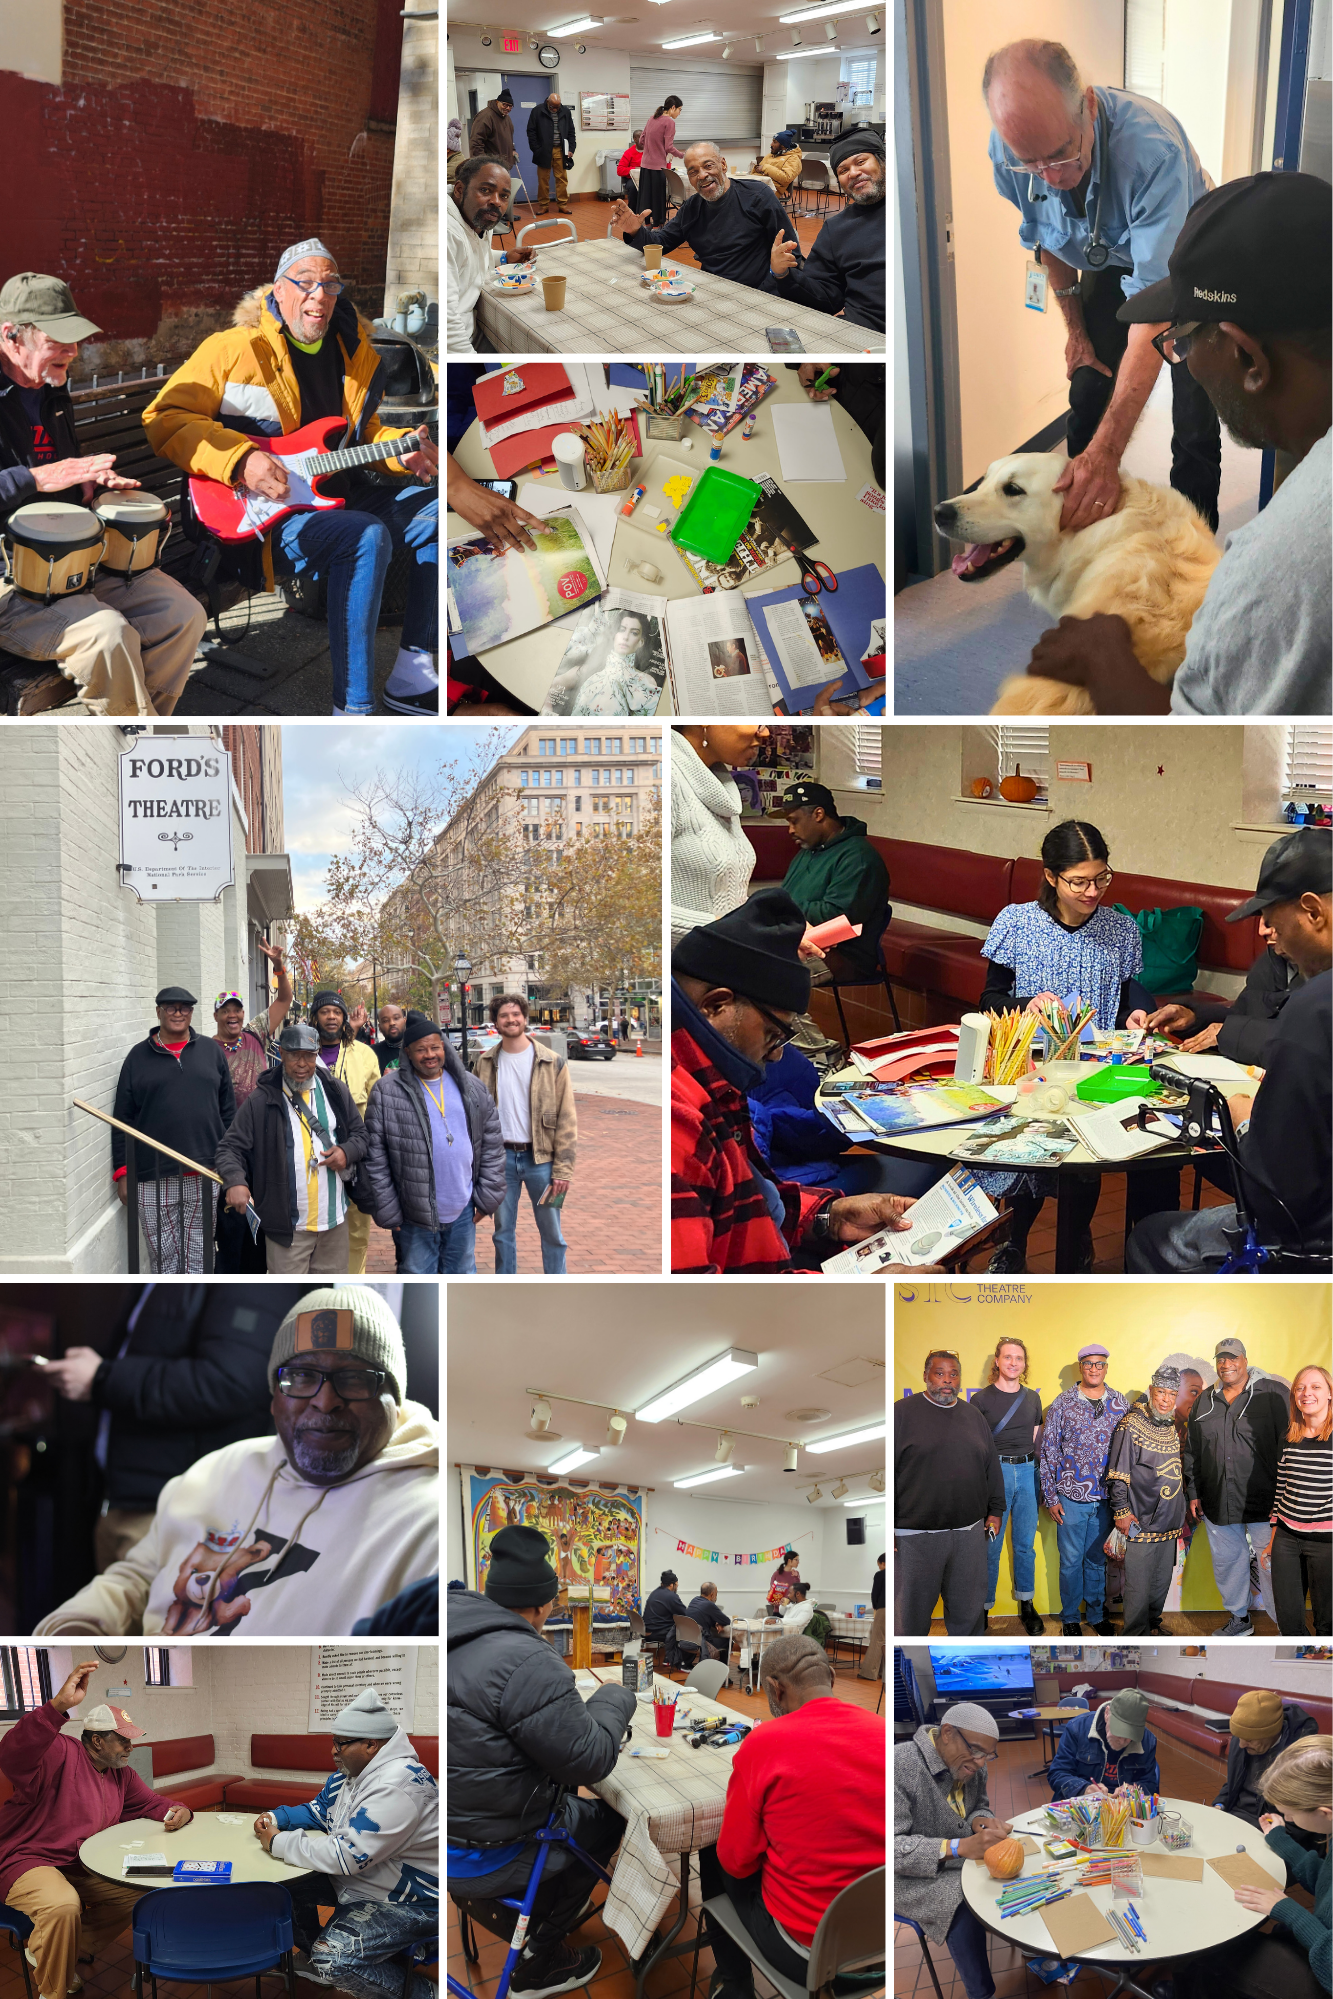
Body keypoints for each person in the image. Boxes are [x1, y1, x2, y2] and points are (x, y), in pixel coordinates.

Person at [1023, 171, 1332, 720]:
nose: (1182, 358)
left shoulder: (1278, 570)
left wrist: (1103, 655)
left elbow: (1195, 746)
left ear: (1247, 358)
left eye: (1183, 340)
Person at [35, 1287, 437, 1637]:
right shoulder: (217, 1471)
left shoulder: (428, 1523)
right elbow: (138, 1577)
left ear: (395, 1396)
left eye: (354, 1378)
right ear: (273, 1394)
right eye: (299, 1376)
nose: (324, 1400)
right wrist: (78, 1626)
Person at [145, 240, 439, 717]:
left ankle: (411, 672)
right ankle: (354, 709)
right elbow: (164, 417)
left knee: (434, 509)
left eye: (329, 284)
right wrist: (239, 460)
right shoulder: (232, 348)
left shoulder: (355, 351)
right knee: (364, 535)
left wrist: (398, 453)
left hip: (331, 498)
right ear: (278, 290)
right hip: (261, 516)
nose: (318, 295)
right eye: (304, 282)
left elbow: (359, 435)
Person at [983, 39, 1219, 534]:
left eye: (1062, 154)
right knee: (1089, 384)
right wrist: (1076, 332)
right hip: (1108, 252)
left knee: (1193, 404)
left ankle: (1193, 541)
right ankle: (1083, 525)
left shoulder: (1152, 151)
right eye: (1032, 164)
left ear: (1088, 107)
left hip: (1192, 256)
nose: (1052, 176)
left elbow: (1153, 314)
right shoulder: (1009, 151)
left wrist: (1109, 453)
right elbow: (1047, 238)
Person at [671, 890, 929, 1272]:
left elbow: (749, 1203)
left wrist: (828, 1217)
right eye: (775, 1034)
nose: (777, 1054)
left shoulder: (710, 1080)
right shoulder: (678, 1127)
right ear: (716, 1006)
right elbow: (701, 1307)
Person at [0, 272, 207, 715]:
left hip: (77, 562)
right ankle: (140, 753)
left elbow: (60, 470)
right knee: (109, 636)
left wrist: (90, 482)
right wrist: (36, 479)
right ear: (12, 338)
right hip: (12, 582)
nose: (73, 352)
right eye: (60, 340)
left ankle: (131, 733)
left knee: (183, 616)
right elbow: (39, 477)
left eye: (75, 340)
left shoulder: (52, 389)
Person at [1128, 829, 1333, 1270]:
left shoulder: (1315, 1009)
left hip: (1310, 1245)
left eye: (1274, 921)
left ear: (1313, 911)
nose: (1266, 932)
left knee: (1150, 1237)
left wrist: (1244, 1118)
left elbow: (1277, 1196)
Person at [446, 1525, 636, 1998]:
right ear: (543, 1605)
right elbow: (591, 1760)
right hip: (492, 1849)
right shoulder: (528, 1659)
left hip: (443, 1836)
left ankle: (531, 1916)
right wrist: (614, 1699)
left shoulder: (449, 1631)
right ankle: (540, 1956)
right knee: (612, 1819)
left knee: (571, 1803)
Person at [979, 820, 1163, 1273]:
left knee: (1085, 1158)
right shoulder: (1017, 922)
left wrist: (1138, 1012)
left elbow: (1127, 990)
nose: (1092, 891)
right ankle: (1014, 1244)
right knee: (1028, 1156)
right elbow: (989, 999)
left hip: (1093, 1066)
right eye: (1079, 881)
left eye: (1102, 878)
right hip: (1032, 1065)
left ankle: (1077, 1235)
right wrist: (1027, 1003)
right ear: (1050, 876)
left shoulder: (1119, 928)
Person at [43, 1282, 303, 1571]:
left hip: (179, 1517)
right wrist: (96, 1369)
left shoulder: (252, 1281)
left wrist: (103, 1377)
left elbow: (229, 1382)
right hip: (122, 1499)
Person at [700, 1635, 884, 1999]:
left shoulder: (765, 1742)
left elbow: (736, 1862)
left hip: (810, 1959)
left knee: (712, 1851)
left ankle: (735, 1985)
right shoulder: (882, 1732)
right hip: (882, 1951)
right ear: (831, 1675)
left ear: (774, 1688)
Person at [0, 1662, 194, 1999]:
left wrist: (182, 1811)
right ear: (96, 1741)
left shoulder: (121, 1775)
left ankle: (52, 1950)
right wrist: (56, 1708)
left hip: (84, 1864)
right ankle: (53, 1990)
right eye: (122, 1740)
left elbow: (151, 1804)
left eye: (131, 1740)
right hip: (30, 1858)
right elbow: (13, 1755)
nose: (130, 1748)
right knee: (63, 1906)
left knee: (140, 1895)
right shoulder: (58, 1752)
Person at [257, 1687, 437, 1996]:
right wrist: (276, 1819)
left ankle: (424, 1993)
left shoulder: (398, 1785)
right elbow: (318, 1811)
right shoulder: (347, 1775)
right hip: (363, 1882)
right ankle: (326, 1956)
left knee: (332, 1959)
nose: (333, 1751)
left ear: (371, 1744)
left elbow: (347, 1856)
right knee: (280, 1887)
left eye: (341, 1743)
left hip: (409, 1902)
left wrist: (278, 1843)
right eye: (333, 1742)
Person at [1175, 1734, 1332, 1999]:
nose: (1288, 1818)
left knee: (1208, 1952)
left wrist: (1290, 1912)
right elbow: (1326, 1882)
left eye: (1291, 1814)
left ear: (1324, 1813)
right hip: (1317, 1940)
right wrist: (1281, 1840)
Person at [216, 1021, 368, 1275]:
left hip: (334, 1224)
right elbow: (229, 1147)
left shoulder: (335, 1092)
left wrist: (346, 1152)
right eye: (294, 1055)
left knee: (325, 1295)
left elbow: (361, 1134)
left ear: (316, 1055)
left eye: (308, 1056)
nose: (301, 1064)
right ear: (281, 1054)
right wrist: (235, 1181)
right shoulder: (261, 1099)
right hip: (287, 1229)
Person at [363, 1011, 504, 1274]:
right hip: (412, 1213)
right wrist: (387, 1207)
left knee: (461, 1276)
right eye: (421, 1050)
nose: (429, 1055)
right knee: (418, 1278)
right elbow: (375, 1156)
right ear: (407, 1053)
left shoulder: (471, 1086)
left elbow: (492, 1143)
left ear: (444, 1047)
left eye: (435, 1048)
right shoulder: (386, 1091)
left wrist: (487, 1197)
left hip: (463, 1209)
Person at [111, 986, 235, 1274]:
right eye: (171, 1007)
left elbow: (228, 1112)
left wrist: (231, 1163)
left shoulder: (210, 1052)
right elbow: (123, 1119)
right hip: (152, 1175)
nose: (178, 1013)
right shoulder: (137, 1058)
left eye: (184, 1008)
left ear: (192, 1013)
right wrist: (122, 1172)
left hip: (204, 1172)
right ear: (158, 1012)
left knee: (200, 1256)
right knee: (163, 1259)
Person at [894, 1703, 1014, 1999]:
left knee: (1011, 1874)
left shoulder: (973, 1765)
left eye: (988, 1755)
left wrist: (981, 1821)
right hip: (908, 1875)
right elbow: (891, 1847)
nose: (981, 1762)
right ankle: (981, 1993)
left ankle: (1031, 1946)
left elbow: (978, 1806)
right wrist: (958, 1846)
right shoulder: (900, 1764)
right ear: (947, 1733)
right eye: (976, 1751)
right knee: (960, 1902)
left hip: (959, 1858)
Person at [1176, 1337, 1288, 1635]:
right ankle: (1240, 1619)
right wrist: (1193, 1492)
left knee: (1273, 1566)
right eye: (1221, 1359)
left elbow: (1292, 1443)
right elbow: (1193, 1451)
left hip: (1267, 1501)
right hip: (1218, 1499)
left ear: (1245, 1360)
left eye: (1232, 1358)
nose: (1226, 1364)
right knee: (1228, 1563)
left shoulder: (1274, 1393)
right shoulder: (1204, 1401)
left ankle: (1286, 1625)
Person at [895, 1352, 1004, 1636]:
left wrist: (996, 1510)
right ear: (925, 1375)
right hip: (915, 1536)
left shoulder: (973, 1415)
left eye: (953, 1374)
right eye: (939, 1373)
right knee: (910, 1620)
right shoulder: (901, 1413)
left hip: (969, 1532)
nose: (947, 1380)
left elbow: (991, 1465)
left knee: (969, 1614)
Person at [473, 994, 577, 1276]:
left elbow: (567, 1119)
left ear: (525, 1017)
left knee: (552, 1233)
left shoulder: (551, 1062)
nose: (511, 1020)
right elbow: (475, 1118)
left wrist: (563, 1170)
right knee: (502, 1231)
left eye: (515, 1014)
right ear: (495, 1023)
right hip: (500, 1160)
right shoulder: (484, 1063)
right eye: (504, 1016)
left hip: (541, 1161)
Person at [611, 144, 802, 294]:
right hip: (710, 292)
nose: (702, 175)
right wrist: (634, 229)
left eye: (708, 166)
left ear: (723, 165)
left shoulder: (758, 197)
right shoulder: (693, 207)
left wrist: (764, 293)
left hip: (757, 291)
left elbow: (792, 256)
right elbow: (661, 242)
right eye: (693, 171)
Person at [212, 946, 295, 1270]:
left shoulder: (256, 1033)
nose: (233, 1016)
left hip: (266, 1134)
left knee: (265, 1211)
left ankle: (262, 1267)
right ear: (217, 1015)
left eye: (237, 1010)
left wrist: (279, 967)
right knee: (233, 1214)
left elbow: (284, 1000)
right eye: (226, 1011)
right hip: (231, 1141)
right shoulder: (207, 1048)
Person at [1039, 1343, 1130, 1636]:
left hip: (1106, 1498)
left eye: (1099, 1363)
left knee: (1096, 1561)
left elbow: (1128, 1452)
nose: (1094, 1368)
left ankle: (1095, 1614)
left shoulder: (1119, 1403)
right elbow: (1049, 1450)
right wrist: (1050, 1496)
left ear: (1106, 1367)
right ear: (1081, 1367)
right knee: (1069, 1563)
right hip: (1070, 1498)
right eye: (1089, 1363)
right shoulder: (1062, 1403)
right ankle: (1068, 1619)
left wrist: (1124, 1500)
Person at [764, 129, 886, 334]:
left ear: (883, 162)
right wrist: (783, 273)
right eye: (843, 170)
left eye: (861, 162)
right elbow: (825, 297)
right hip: (863, 334)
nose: (854, 173)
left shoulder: (922, 213)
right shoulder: (836, 228)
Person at [1145, 908, 1304, 1064]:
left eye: (1273, 915)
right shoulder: (1275, 957)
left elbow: (1307, 1041)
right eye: (1262, 915)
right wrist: (1194, 1017)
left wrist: (1233, 1033)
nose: (1261, 930)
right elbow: (1245, 1014)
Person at [779, 781, 891, 989]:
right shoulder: (808, 850)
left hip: (843, 956)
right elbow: (786, 897)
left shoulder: (858, 857)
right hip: (799, 941)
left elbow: (838, 916)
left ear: (818, 814)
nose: (790, 830)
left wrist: (780, 906)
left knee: (761, 977)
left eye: (794, 821)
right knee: (734, 964)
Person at [1105, 1364, 1187, 1634]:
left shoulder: (1171, 1426)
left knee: (1160, 1582)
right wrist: (1121, 1511)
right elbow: (1118, 1473)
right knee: (1139, 1585)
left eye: (1171, 1394)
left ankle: (1152, 1626)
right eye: (1161, 1392)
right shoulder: (1131, 1425)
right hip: (1141, 1520)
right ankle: (1135, 1635)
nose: (1165, 1400)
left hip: (1169, 1521)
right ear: (1151, 1391)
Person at [972, 1337, 1045, 1636]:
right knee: (990, 1547)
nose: (1014, 1362)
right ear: (998, 1362)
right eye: (1008, 1357)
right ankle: (984, 1607)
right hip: (995, 1475)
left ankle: (1027, 1604)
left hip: (1028, 1471)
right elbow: (976, 1447)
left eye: (1019, 1358)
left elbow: (1037, 1440)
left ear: (1024, 1364)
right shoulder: (980, 1400)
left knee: (1025, 1546)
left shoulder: (1033, 1398)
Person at [670, 723, 767, 943]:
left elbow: (724, 899)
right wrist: (732, 935)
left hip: (719, 961)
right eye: (755, 721)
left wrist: (775, 927)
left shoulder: (718, 787)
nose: (766, 732)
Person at [308, 988, 382, 1274]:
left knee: (356, 1231)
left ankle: (354, 1282)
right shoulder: (301, 1054)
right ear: (315, 1017)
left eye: (337, 1012)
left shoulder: (365, 1055)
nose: (331, 1017)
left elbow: (377, 1108)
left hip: (355, 1158)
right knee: (314, 1230)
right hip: (313, 1160)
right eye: (325, 1011)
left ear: (343, 1018)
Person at [447, 161, 538, 356]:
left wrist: (505, 257)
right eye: (486, 190)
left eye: (504, 196)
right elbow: (444, 321)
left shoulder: (477, 218)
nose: (496, 201)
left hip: (473, 327)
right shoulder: (445, 233)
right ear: (460, 190)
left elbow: (468, 257)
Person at [1268, 1365, 1332, 1637]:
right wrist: (1272, 1540)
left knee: (1327, 1623)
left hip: (1327, 1543)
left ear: (1330, 1394)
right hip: (1286, 1539)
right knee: (1289, 1622)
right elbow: (1281, 1489)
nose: (1307, 1393)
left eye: (1316, 1386)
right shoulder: (1288, 1437)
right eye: (1300, 1388)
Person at [1213, 1690, 1321, 1834]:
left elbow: (1304, 1818)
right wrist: (1220, 1804)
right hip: (1236, 1817)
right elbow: (1233, 1782)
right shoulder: (1242, 1740)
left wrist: (1275, 1835)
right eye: (1238, 1737)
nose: (1241, 1745)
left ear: (1272, 1733)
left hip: (1274, 1828)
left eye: (1250, 1740)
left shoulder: (1302, 1758)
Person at [1047, 1688, 1160, 1800]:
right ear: (1107, 1714)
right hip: (1082, 1807)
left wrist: (1135, 1790)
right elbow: (1057, 1773)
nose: (1122, 1741)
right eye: (1118, 1733)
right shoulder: (1077, 1728)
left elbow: (1150, 1783)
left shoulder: (1147, 1740)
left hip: (1124, 1810)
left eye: (1130, 1737)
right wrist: (1084, 1789)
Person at [547, 607, 659, 716]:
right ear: (614, 635)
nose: (625, 637)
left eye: (634, 633)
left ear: (641, 642)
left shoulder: (646, 681)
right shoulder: (588, 670)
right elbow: (551, 687)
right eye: (621, 630)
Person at [638, 96, 685, 228]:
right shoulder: (669, 122)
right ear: (673, 108)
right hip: (658, 167)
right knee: (658, 197)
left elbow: (641, 141)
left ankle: (646, 223)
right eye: (679, 110)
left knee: (646, 196)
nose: (679, 113)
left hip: (645, 165)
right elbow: (668, 147)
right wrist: (682, 155)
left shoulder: (652, 118)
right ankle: (658, 226)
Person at [528, 92, 576, 215]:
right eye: (552, 107)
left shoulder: (565, 111)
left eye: (557, 107)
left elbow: (571, 131)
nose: (555, 109)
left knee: (562, 179)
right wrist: (536, 149)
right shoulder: (537, 111)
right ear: (547, 102)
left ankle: (562, 205)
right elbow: (531, 131)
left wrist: (571, 148)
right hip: (543, 151)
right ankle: (543, 205)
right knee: (543, 179)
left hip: (560, 150)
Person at [643, 1567, 693, 1669]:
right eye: (676, 1585)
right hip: (657, 1632)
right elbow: (685, 1614)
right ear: (671, 1585)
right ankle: (683, 1663)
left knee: (675, 1628)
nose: (677, 1587)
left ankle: (669, 1659)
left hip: (647, 1630)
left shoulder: (655, 1592)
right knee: (687, 1630)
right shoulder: (671, 1596)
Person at [686, 1580, 732, 1660]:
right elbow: (727, 1621)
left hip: (687, 1638)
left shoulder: (694, 1600)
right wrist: (719, 1622)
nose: (716, 1597)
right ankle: (722, 1666)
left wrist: (716, 1623)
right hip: (701, 1642)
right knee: (727, 1640)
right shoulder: (709, 1605)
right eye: (716, 1594)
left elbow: (703, 1617)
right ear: (712, 1594)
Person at [858, 1554, 886, 1681]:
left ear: (883, 1563)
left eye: (879, 1565)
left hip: (884, 1608)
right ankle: (882, 1672)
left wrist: (875, 1607)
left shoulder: (881, 1575)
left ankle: (869, 1673)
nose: (879, 1567)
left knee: (878, 1640)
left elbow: (875, 1593)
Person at [470, 90, 516, 169]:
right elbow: (476, 143)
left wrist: (512, 150)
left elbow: (509, 138)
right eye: (505, 105)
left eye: (510, 106)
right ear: (497, 102)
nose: (508, 108)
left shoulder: (506, 117)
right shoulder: (485, 116)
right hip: (490, 167)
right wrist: (483, 165)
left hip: (503, 166)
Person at [752, 131, 803, 196]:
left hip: (770, 190)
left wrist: (765, 168)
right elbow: (759, 171)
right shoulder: (770, 155)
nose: (771, 144)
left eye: (775, 142)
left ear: (783, 145)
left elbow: (786, 178)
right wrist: (756, 168)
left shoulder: (793, 158)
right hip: (757, 184)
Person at [374, 1001, 408, 1073]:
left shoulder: (418, 1050)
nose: (392, 1023)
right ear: (380, 1027)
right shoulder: (371, 1053)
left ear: (405, 1021)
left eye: (396, 1018)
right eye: (385, 1021)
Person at [617, 130, 644, 204]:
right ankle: (633, 211)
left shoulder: (651, 151)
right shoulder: (629, 153)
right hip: (633, 179)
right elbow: (620, 170)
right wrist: (635, 169)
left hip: (647, 177)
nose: (643, 140)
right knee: (633, 188)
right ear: (635, 139)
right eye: (640, 137)